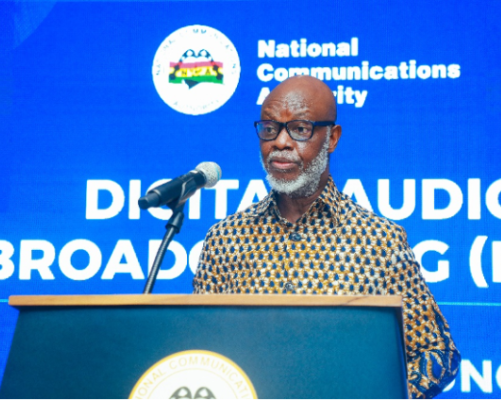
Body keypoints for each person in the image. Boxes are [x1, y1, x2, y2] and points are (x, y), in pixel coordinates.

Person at [193, 75, 460, 399]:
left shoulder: (380, 241)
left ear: (332, 138)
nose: (280, 142)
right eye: (269, 129)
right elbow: (201, 351)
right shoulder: (225, 239)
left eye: (300, 129)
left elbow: (436, 353)